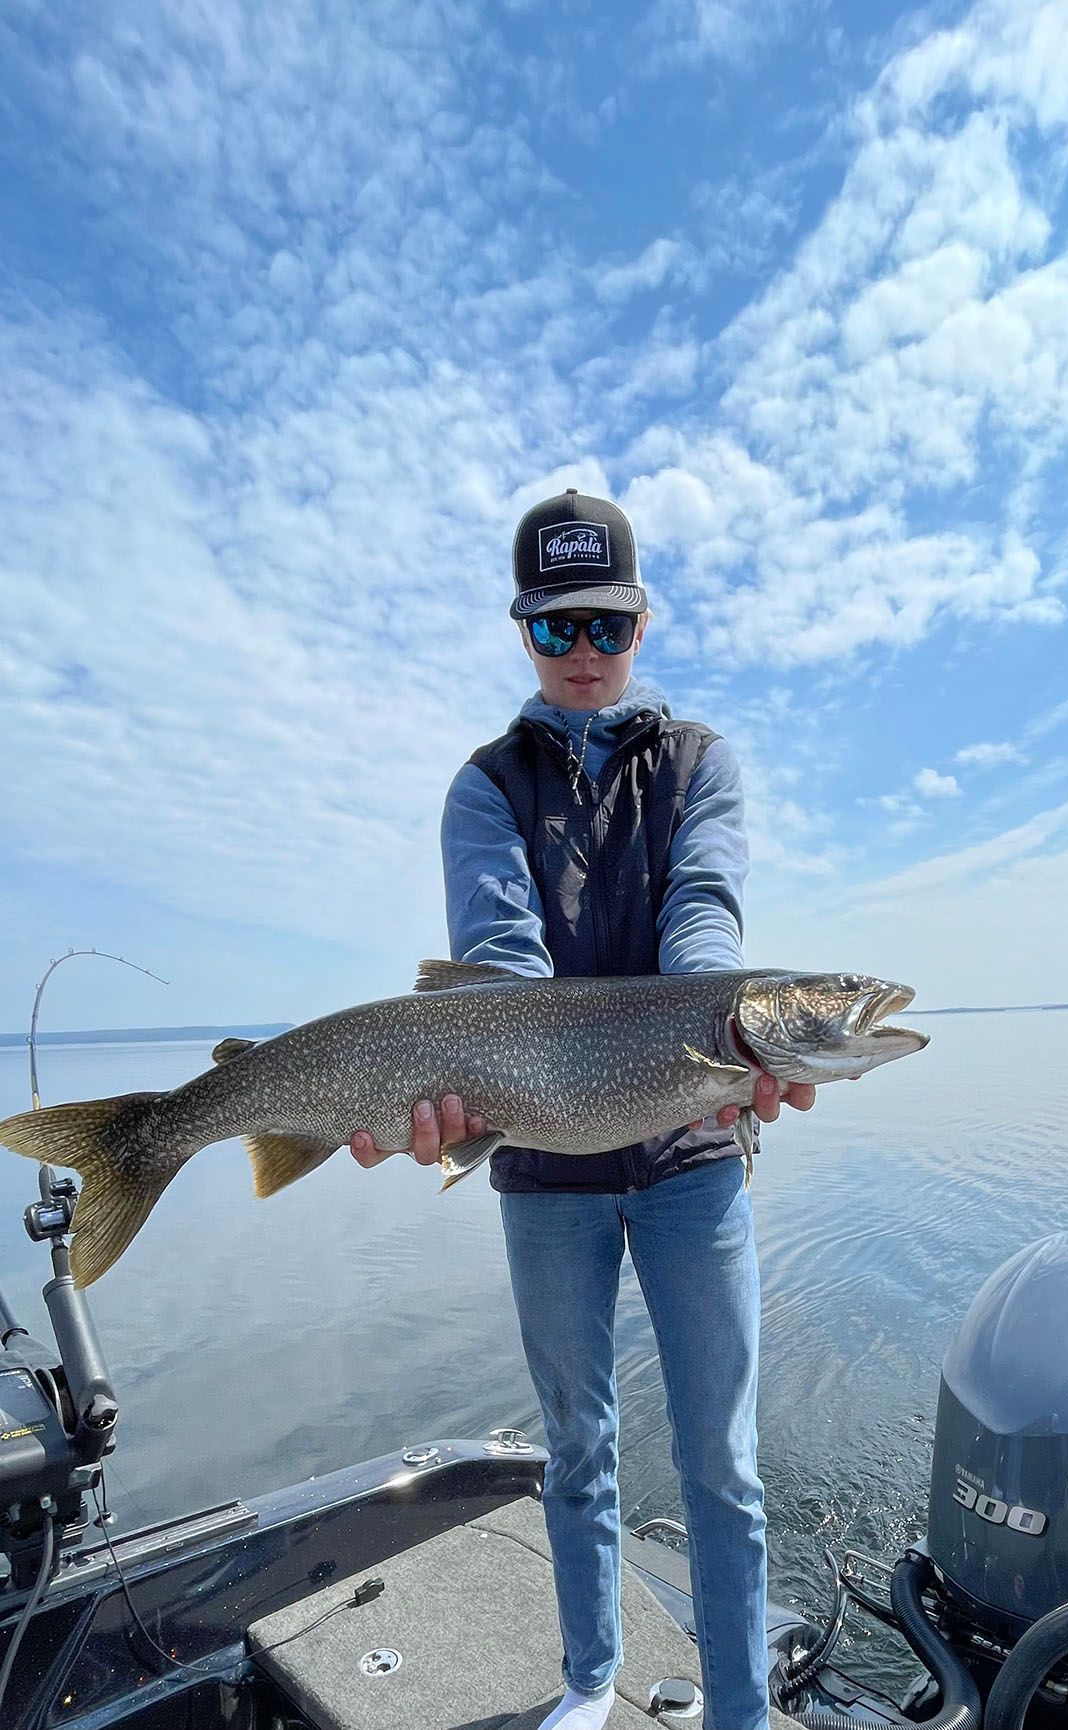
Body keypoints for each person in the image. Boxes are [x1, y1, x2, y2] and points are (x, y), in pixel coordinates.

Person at [350, 487, 815, 1730]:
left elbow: (703, 911)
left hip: (695, 1158)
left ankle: (739, 1711)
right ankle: (589, 1677)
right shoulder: (484, 786)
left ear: (642, 619)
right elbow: (501, 962)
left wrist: (727, 1026)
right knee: (576, 1446)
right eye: (555, 630)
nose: (585, 654)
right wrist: (458, 1089)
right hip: (545, 1172)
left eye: (604, 623)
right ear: (522, 633)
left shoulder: (701, 762)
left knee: (723, 1459)